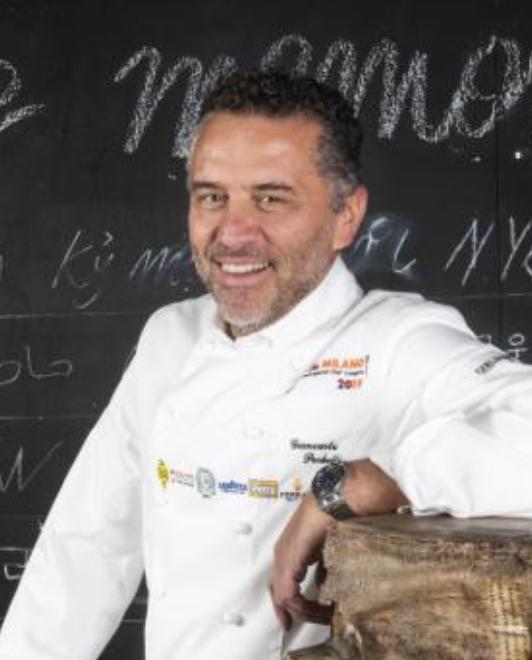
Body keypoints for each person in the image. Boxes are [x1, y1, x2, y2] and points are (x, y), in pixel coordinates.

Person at [1, 70, 531, 660]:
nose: (233, 233)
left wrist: (360, 484)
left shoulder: (397, 341)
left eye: (271, 198)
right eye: (212, 197)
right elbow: (85, 549)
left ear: (346, 215)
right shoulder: (170, 338)